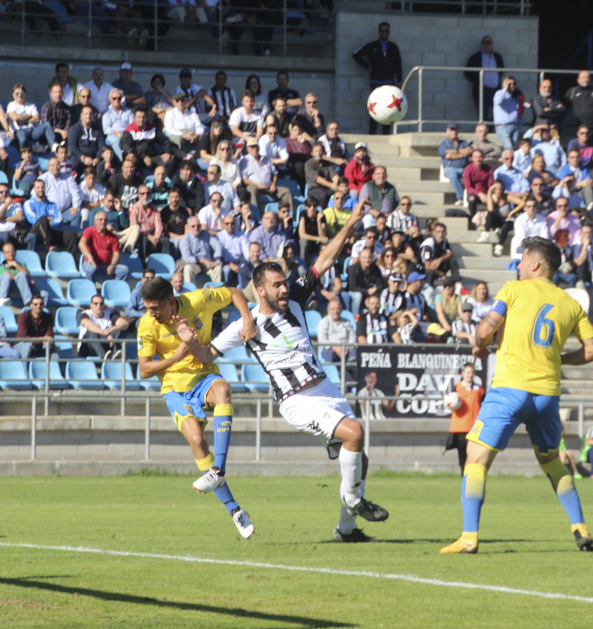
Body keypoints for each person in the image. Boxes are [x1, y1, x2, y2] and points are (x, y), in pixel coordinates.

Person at [190, 203, 389, 542]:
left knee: (360, 456)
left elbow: (324, 259)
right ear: (261, 290)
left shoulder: (295, 297)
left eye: (285, 282)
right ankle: (355, 502)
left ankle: (346, 530)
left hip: (325, 388)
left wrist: (352, 222)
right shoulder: (244, 326)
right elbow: (207, 353)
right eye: (277, 285)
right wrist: (188, 340)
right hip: (296, 400)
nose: (284, 289)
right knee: (354, 433)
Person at [441, 237, 593, 554]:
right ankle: (580, 528)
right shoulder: (571, 304)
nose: (517, 266)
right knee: (553, 463)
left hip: (510, 389)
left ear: (535, 264)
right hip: (546, 395)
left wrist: (481, 345)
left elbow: (486, 329)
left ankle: (469, 537)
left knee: (475, 459)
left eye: (521, 260)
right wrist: (558, 358)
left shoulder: (513, 290)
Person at [136, 276, 258, 538]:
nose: (150, 313)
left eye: (155, 308)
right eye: (147, 308)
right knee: (197, 439)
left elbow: (235, 292)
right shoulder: (147, 325)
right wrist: (177, 356)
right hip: (175, 389)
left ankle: (218, 470)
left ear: (171, 302)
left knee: (224, 389)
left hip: (204, 377)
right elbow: (144, 369)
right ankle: (235, 511)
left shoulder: (199, 300)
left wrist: (247, 320)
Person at [352, 21, 403, 135]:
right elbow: (356, 54)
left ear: (389, 32)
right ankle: (372, 133)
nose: (384, 33)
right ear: (379, 32)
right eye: (382, 30)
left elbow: (399, 65)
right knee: (375, 108)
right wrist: (367, 66)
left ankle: (386, 134)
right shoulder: (372, 46)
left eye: (387, 31)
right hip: (376, 82)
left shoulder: (393, 47)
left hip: (390, 83)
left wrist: (399, 81)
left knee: (389, 109)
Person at [445, 362, 484, 475]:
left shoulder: (479, 389)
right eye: (467, 372)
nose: (469, 375)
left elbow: (483, 405)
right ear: (463, 373)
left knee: (474, 454)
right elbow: (450, 402)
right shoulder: (456, 388)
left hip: (474, 427)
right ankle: (464, 474)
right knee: (462, 453)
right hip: (460, 427)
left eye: (472, 372)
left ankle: (473, 474)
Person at [79, 211, 129, 281]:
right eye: (100, 219)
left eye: (105, 220)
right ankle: (90, 290)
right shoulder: (89, 231)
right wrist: (90, 257)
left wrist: (112, 265)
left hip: (107, 265)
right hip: (91, 263)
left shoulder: (112, 236)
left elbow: (116, 254)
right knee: (91, 269)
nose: (103, 222)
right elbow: (81, 243)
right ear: (95, 221)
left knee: (123, 270)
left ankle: (114, 289)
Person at [464, 35, 503, 122]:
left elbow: (501, 70)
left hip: (495, 90)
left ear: (492, 44)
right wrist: (477, 82)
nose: (487, 44)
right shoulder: (476, 57)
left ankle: (489, 129)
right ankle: (484, 132)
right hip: (481, 90)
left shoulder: (497, 56)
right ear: (481, 45)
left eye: (489, 42)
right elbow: (467, 73)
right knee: (483, 114)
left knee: (498, 111)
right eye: (484, 42)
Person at [564, 70, 593, 141]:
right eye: (584, 77)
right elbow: (564, 102)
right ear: (578, 80)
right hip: (581, 126)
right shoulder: (573, 91)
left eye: (588, 77)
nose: (586, 79)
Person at [439, 123, 471, 207]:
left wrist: (455, 152)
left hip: (465, 168)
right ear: (447, 131)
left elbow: (470, 151)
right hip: (450, 168)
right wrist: (463, 154)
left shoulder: (463, 142)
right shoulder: (444, 144)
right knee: (453, 175)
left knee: (469, 176)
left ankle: (471, 197)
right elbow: (448, 156)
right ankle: (461, 197)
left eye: (455, 130)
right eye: (451, 130)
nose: (454, 132)